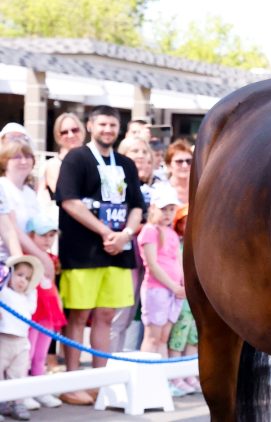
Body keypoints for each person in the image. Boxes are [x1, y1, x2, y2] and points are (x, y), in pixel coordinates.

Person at [55, 105, 144, 406]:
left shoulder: (127, 164)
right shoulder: (76, 158)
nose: (108, 129)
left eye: (112, 125)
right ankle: (72, 381)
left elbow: (136, 206)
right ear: (90, 125)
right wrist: (105, 231)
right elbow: (69, 201)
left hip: (119, 252)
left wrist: (125, 235)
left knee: (107, 315)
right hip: (83, 252)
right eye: (102, 124)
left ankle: (100, 381)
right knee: (79, 315)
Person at [111, 136, 166, 353]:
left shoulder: (162, 184)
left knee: (152, 314)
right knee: (124, 310)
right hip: (129, 249)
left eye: (145, 151)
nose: (141, 156)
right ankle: (113, 363)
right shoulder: (117, 181)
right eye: (135, 151)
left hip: (158, 254)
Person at [137, 187, 189, 396]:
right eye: (163, 209)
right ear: (153, 208)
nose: (167, 214)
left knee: (163, 338)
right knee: (152, 336)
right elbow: (152, 264)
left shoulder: (171, 233)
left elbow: (178, 259)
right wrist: (174, 286)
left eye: (170, 209)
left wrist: (184, 284)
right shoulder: (150, 231)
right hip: (157, 290)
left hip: (174, 291)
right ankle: (145, 381)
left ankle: (162, 380)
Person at [24, 215, 65, 410]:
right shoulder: (27, 260)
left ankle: (39, 390)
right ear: (30, 236)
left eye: (51, 235)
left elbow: (52, 287)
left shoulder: (51, 259)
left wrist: (59, 305)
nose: (48, 240)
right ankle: (23, 392)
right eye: (43, 236)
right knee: (27, 354)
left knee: (40, 355)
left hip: (49, 314)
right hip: (33, 314)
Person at [0, 140, 56, 284]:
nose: (24, 161)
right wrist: (39, 259)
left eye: (28, 156)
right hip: (7, 261)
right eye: (17, 157)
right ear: (5, 161)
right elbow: (11, 230)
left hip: (27, 262)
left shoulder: (29, 192)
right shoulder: (3, 186)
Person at [0, 255, 43, 421]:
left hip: (22, 342)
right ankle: (2, 401)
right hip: (4, 339)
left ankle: (18, 403)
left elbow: (32, 308)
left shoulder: (27, 298)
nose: (23, 280)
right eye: (19, 275)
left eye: (27, 278)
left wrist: (32, 286)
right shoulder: (4, 293)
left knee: (18, 373)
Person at [167, 204, 200, 394]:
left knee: (193, 338)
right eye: (184, 222)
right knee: (177, 338)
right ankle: (176, 376)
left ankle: (189, 374)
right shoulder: (178, 245)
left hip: (195, 299)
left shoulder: (200, 245)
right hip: (182, 298)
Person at [40, 113, 86, 207]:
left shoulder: (92, 159)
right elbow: (66, 194)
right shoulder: (53, 165)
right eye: (64, 132)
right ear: (58, 136)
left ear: (82, 131)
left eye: (74, 130)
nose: (71, 135)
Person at [163, 140, 193, 204]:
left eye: (189, 161)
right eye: (179, 161)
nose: (185, 165)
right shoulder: (161, 191)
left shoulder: (199, 190)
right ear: (169, 166)